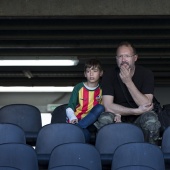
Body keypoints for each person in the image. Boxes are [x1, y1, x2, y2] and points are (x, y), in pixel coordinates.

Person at [100, 41, 161, 144]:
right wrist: (136, 111)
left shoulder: (146, 74)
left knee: (151, 119)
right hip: (117, 117)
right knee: (105, 118)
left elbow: (146, 105)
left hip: (140, 118)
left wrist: (128, 81)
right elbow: (108, 106)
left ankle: (150, 155)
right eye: (120, 56)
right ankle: (108, 157)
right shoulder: (109, 75)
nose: (123, 60)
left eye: (127, 56)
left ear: (135, 58)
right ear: (116, 59)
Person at [66, 59, 105, 143]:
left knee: (100, 108)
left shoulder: (103, 89)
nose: (91, 74)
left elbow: (107, 107)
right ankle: (79, 127)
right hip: (77, 120)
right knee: (85, 135)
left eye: (95, 71)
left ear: (101, 73)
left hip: (93, 122)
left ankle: (78, 128)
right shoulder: (78, 87)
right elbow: (70, 107)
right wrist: (72, 117)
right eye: (88, 71)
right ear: (85, 74)